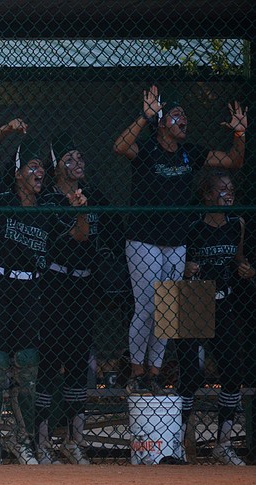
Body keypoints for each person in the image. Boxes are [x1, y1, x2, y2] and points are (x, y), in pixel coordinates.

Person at [112, 85, 247, 393]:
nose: (183, 118)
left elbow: (233, 162)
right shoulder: (148, 149)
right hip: (144, 240)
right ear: (162, 124)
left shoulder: (190, 153)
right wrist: (144, 117)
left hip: (176, 241)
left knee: (166, 311)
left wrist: (239, 134)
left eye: (185, 115)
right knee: (146, 306)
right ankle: (137, 372)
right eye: (175, 115)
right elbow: (120, 146)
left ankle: (155, 374)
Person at [0, 119, 87, 465]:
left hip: (30, 289)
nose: (39, 173)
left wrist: (82, 212)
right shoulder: (1, 196)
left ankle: (24, 440)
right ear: (19, 172)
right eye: (32, 167)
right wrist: (5, 130)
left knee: (27, 365)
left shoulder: (51, 206)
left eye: (42, 167)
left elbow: (79, 235)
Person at [175, 171, 253, 465]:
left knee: (233, 371)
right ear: (207, 195)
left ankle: (223, 442)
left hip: (225, 298)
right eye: (221, 189)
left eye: (231, 188)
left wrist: (245, 267)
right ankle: (178, 442)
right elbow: (177, 261)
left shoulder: (237, 224)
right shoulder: (194, 226)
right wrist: (186, 267)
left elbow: (238, 257)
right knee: (191, 375)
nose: (228, 194)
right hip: (194, 297)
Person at [35, 133, 96, 465]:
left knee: (77, 364)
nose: (77, 164)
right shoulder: (49, 200)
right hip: (56, 285)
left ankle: (76, 440)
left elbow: (100, 241)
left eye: (80, 158)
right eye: (69, 159)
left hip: (83, 287)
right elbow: (78, 234)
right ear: (57, 166)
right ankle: (43, 441)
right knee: (49, 362)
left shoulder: (91, 195)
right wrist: (79, 212)